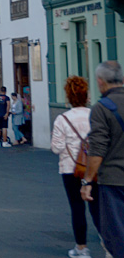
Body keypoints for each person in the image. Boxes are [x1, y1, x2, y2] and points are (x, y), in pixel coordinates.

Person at [51, 76, 101, 258]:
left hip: (70, 169)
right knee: (97, 207)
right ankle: (107, 242)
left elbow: (56, 148)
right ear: (87, 97)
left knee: (77, 207)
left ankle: (81, 248)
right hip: (93, 168)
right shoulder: (96, 115)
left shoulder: (62, 119)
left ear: (68, 98)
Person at [82, 61, 124, 258]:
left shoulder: (101, 108)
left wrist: (87, 181)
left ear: (100, 82)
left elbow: (97, 148)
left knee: (116, 235)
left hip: (114, 180)